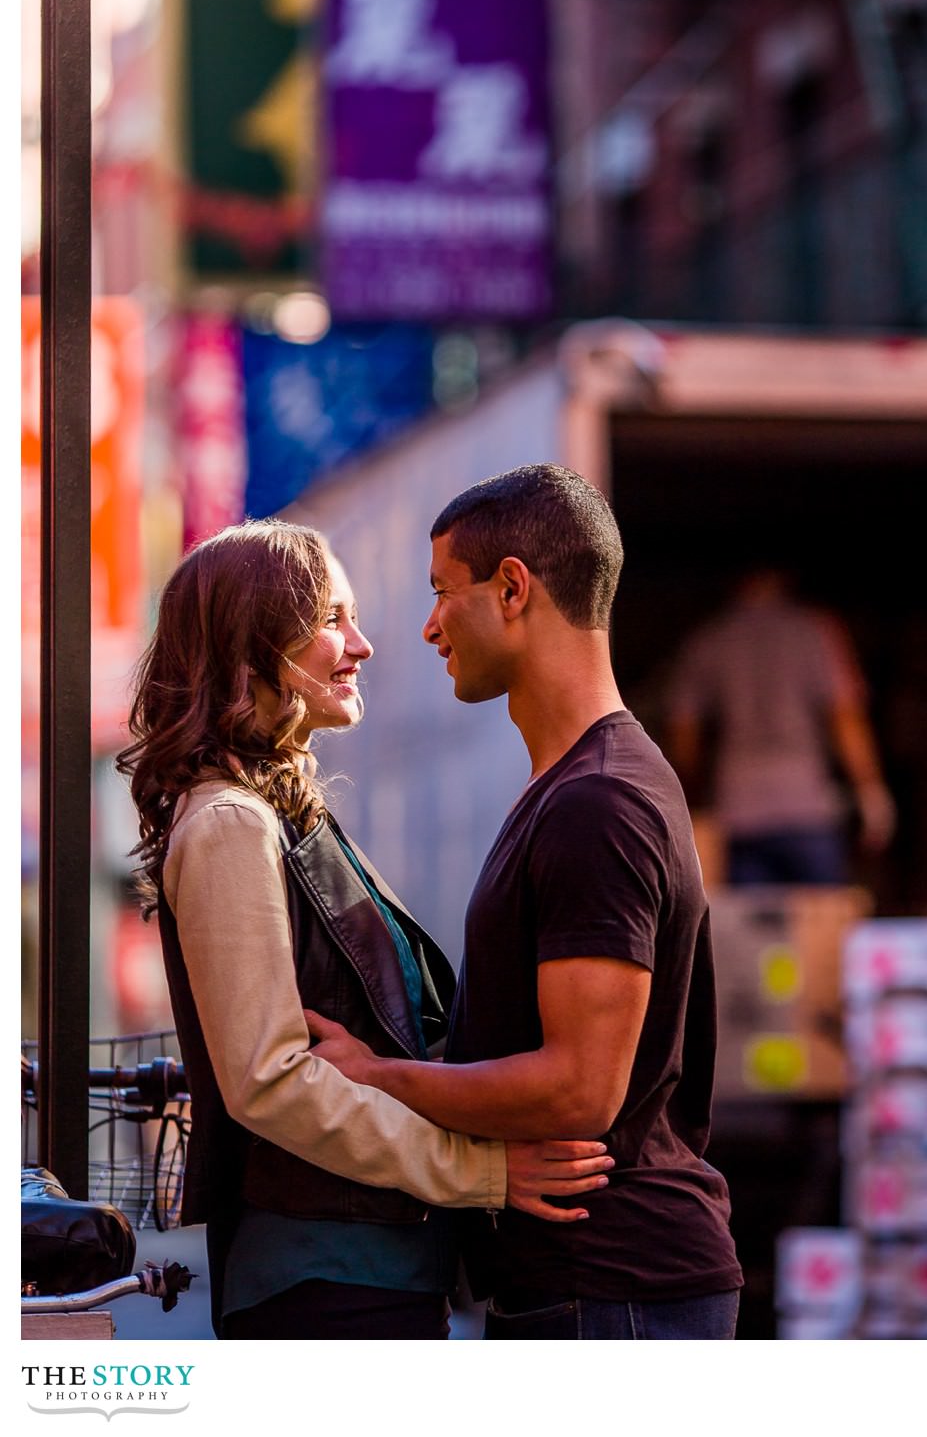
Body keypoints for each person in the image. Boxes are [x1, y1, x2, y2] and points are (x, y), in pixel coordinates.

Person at [116, 519, 613, 1340]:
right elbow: (268, 1081)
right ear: (253, 645)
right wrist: (480, 1171)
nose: (362, 645)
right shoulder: (230, 824)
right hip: (325, 1283)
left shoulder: (269, 812)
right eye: (329, 621)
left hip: (359, 1272)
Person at [306, 464, 743, 1340]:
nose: (428, 626)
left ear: (512, 588)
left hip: (611, 1286)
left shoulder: (598, 800)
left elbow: (579, 1088)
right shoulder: (573, 785)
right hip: (585, 1286)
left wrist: (379, 1079)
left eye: (442, 592)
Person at [664, 564, 895, 886]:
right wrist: (871, 790)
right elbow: (844, 715)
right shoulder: (813, 630)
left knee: (753, 931)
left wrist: (688, 796)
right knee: (820, 925)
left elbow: (684, 728)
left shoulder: (711, 637)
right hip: (806, 803)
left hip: (739, 804)